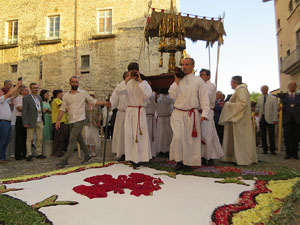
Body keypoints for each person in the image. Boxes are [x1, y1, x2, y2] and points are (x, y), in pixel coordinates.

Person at [55, 76, 109, 168]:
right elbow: (62, 108)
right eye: (73, 82)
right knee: (79, 138)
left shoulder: (83, 93)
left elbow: (93, 101)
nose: (75, 84)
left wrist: (105, 103)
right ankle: (87, 156)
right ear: (70, 83)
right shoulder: (66, 95)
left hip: (80, 119)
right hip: (71, 120)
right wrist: (58, 120)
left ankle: (65, 160)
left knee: (72, 139)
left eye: (76, 82)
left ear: (78, 83)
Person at [169, 59, 210, 171]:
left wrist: (204, 113)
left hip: (191, 114)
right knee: (178, 138)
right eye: (182, 65)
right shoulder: (178, 80)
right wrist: (176, 81)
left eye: (186, 64)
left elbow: (203, 97)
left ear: (192, 66)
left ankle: (188, 163)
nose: (184, 67)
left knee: (189, 140)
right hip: (177, 113)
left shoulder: (198, 81)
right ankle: (179, 161)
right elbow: (172, 95)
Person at [114, 62, 152, 169]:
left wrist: (140, 81)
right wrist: (127, 79)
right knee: (130, 134)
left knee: (140, 135)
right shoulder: (127, 83)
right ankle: (131, 157)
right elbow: (118, 92)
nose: (134, 73)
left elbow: (148, 95)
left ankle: (140, 158)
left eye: (135, 70)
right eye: (131, 71)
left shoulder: (143, 82)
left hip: (140, 111)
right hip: (130, 111)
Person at [219, 76, 258, 165]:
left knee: (240, 140)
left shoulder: (241, 90)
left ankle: (242, 159)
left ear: (234, 82)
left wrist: (227, 105)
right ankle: (234, 157)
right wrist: (227, 105)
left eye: (231, 82)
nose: (230, 84)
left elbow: (242, 104)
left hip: (240, 119)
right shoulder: (240, 90)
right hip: (238, 118)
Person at [199, 69, 224, 166]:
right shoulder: (198, 85)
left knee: (208, 135)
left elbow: (206, 96)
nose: (201, 77)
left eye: (203, 75)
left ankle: (209, 157)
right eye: (200, 75)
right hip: (199, 113)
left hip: (208, 112)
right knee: (199, 136)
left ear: (208, 76)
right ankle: (201, 156)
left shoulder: (212, 86)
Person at [23, 83, 46, 161]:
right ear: (31, 89)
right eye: (34, 88)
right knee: (30, 138)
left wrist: (43, 119)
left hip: (39, 120)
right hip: (30, 120)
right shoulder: (26, 98)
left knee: (40, 138)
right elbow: (25, 111)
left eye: (37, 88)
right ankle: (29, 154)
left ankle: (38, 153)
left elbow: (40, 108)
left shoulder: (39, 97)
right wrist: (25, 121)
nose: (36, 89)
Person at [0, 80, 22, 163]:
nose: (2, 92)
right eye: (1, 92)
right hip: (2, 122)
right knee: (2, 140)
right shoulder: (1, 99)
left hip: (7, 122)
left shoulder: (5, 101)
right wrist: (16, 86)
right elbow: (9, 94)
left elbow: (13, 97)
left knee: (6, 139)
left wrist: (19, 89)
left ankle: (3, 156)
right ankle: (1, 157)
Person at [110, 72, 129, 161]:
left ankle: (131, 154)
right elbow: (114, 98)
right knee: (121, 135)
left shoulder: (134, 85)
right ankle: (122, 153)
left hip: (131, 113)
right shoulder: (119, 86)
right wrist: (110, 105)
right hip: (122, 112)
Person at [256, 85, 278, 155]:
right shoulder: (259, 98)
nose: (262, 90)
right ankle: (264, 149)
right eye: (261, 89)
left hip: (270, 118)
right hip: (262, 117)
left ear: (267, 89)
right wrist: (253, 109)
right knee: (263, 134)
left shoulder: (273, 98)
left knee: (271, 134)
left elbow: (275, 109)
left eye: (264, 89)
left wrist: (275, 119)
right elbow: (258, 108)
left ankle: (272, 150)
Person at [281, 81, 300, 160]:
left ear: (296, 87)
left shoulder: (299, 97)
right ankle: (287, 153)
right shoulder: (283, 97)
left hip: (297, 120)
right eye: (291, 85)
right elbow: (281, 107)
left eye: (294, 85)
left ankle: (295, 153)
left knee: (296, 137)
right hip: (287, 120)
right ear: (288, 87)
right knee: (287, 137)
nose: (292, 86)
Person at [51, 90, 69, 157]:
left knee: (62, 136)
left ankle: (60, 151)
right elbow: (64, 107)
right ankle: (56, 152)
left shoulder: (58, 100)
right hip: (58, 121)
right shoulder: (56, 100)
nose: (62, 94)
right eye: (61, 93)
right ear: (58, 94)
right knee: (59, 137)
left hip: (61, 120)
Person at [155, 91, 173, 157]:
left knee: (168, 135)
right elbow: (155, 102)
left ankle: (168, 150)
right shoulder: (157, 95)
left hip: (168, 117)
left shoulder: (170, 95)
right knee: (161, 135)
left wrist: (165, 93)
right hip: (161, 117)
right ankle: (161, 150)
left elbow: (169, 101)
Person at [84, 91, 101, 157]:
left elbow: (100, 114)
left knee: (94, 136)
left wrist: (99, 121)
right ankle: (88, 151)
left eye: (92, 96)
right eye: (90, 95)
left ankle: (93, 151)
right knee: (87, 136)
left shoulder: (97, 105)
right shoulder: (85, 105)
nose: (91, 97)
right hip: (87, 122)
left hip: (95, 122)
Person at [14, 86, 29, 160]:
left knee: (26, 137)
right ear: (21, 91)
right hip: (20, 119)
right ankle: (18, 154)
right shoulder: (18, 98)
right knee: (19, 137)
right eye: (26, 90)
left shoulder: (28, 99)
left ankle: (25, 153)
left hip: (26, 118)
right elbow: (19, 108)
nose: (27, 91)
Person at [145, 91, 157, 157]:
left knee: (152, 136)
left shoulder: (154, 93)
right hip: (145, 117)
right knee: (147, 136)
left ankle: (152, 153)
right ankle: (146, 154)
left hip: (152, 117)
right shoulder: (145, 91)